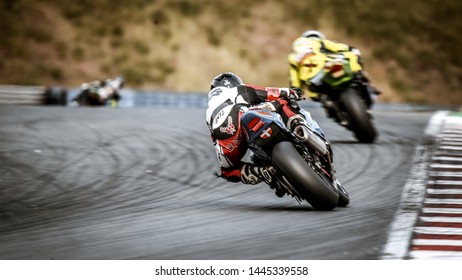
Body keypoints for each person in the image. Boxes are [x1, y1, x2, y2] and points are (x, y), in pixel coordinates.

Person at [205, 72, 325, 197]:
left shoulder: (210, 110)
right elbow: (266, 92)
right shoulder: (237, 90)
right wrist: (290, 92)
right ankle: (297, 125)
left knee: (226, 171)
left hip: (228, 141)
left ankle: (261, 172)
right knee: (282, 101)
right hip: (242, 116)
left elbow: (215, 138)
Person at [288, 30, 380, 102]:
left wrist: (295, 93)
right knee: (352, 55)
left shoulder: (293, 56)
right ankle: (359, 76)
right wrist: (351, 49)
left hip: (313, 82)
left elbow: (295, 79)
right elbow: (341, 48)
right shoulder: (321, 42)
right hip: (327, 70)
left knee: (318, 95)